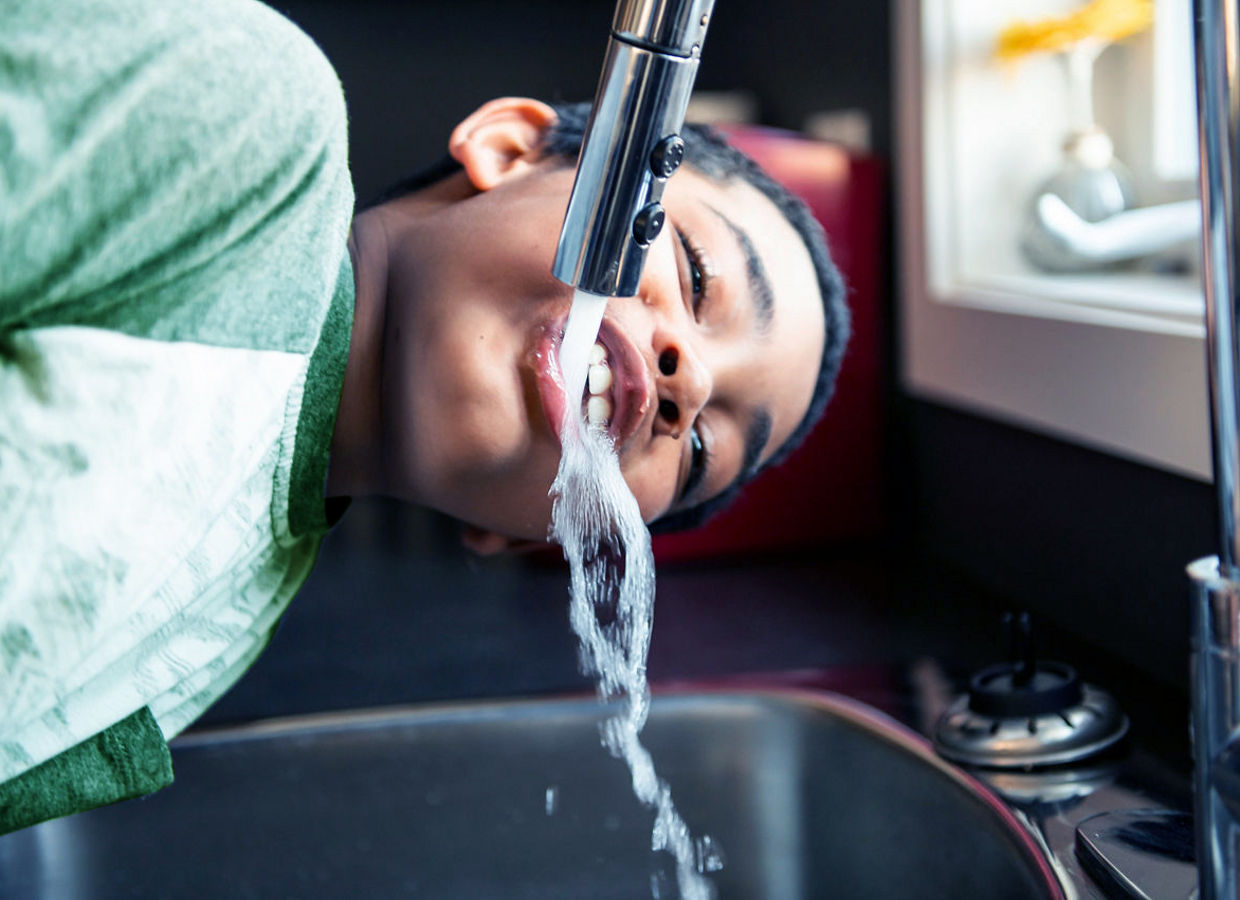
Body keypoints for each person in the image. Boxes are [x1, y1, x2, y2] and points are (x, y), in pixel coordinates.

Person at [0, 0, 848, 832]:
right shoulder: (243, 122)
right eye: (696, 274)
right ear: (511, 150)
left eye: (700, 448)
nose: (691, 383)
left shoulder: (207, 639)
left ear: (540, 537)